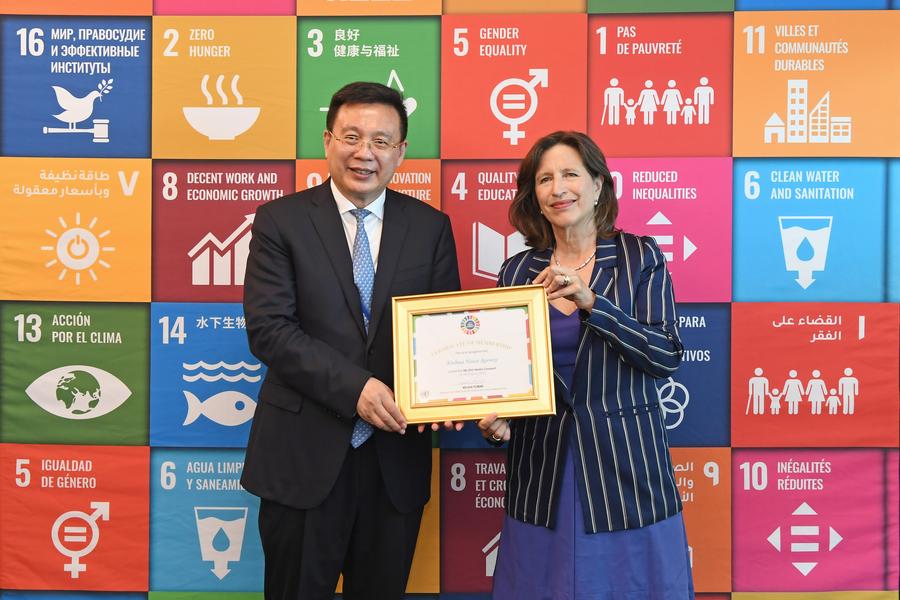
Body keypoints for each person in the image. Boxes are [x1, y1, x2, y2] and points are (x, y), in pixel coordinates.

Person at [241, 81, 460, 600]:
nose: (366, 153)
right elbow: (269, 329)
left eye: (382, 141)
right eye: (352, 136)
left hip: (394, 462)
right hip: (303, 457)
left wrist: (456, 388)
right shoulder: (282, 221)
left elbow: (443, 333)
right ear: (327, 140)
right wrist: (356, 389)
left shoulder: (430, 228)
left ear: (401, 152)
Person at [478, 131, 693, 599]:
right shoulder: (515, 272)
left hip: (627, 469)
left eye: (571, 174)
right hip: (542, 470)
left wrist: (595, 304)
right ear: (533, 197)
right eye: (545, 179)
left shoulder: (640, 256)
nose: (559, 189)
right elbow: (508, 374)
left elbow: (665, 355)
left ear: (599, 185)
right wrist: (500, 421)